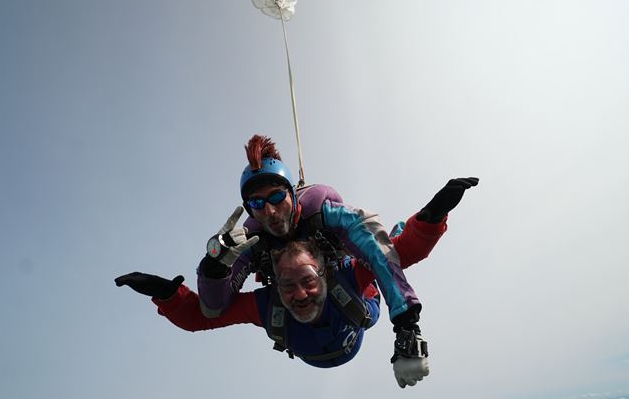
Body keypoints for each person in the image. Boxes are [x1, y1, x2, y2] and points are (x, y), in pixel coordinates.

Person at [197, 134, 478, 377]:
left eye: (276, 197)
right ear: (248, 209)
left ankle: (399, 230)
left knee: (376, 257)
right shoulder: (250, 241)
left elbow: (378, 251)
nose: (269, 211)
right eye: (257, 203)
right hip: (301, 327)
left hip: (353, 297)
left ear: (292, 194)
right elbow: (214, 309)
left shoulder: (324, 212)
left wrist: (407, 326)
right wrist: (215, 266)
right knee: (289, 295)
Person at [116, 228, 439, 387]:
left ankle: (392, 232)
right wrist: (166, 293)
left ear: (322, 273)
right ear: (274, 285)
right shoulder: (266, 304)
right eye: (287, 285)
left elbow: (400, 253)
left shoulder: (344, 276)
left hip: (358, 309)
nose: (300, 294)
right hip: (325, 340)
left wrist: (429, 221)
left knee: (371, 286)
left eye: (307, 280)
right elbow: (200, 318)